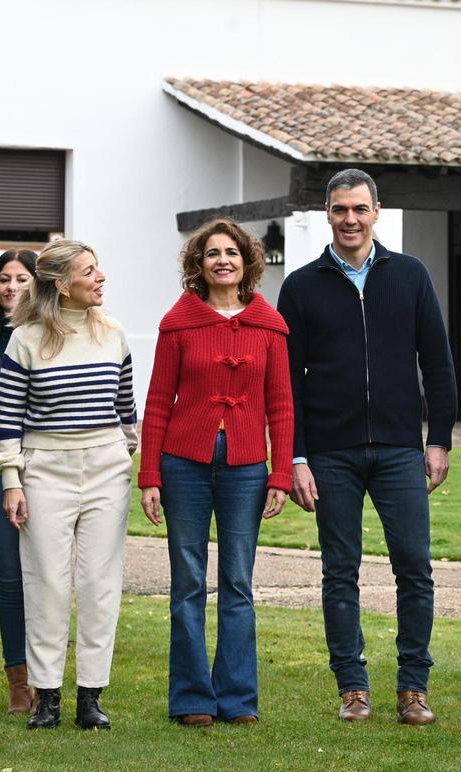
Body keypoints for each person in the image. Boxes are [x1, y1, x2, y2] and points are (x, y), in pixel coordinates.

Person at [276, 168, 456, 725]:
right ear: (326, 215)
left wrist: (438, 440)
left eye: (359, 209)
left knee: (414, 567)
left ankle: (412, 687)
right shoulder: (301, 286)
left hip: (402, 448)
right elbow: (288, 383)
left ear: (377, 211)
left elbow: (438, 362)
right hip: (331, 453)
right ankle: (352, 687)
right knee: (339, 571)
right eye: (339, 210)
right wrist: (297, 457)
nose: (349, 219)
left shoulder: (410, 275)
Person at [140, 219, 293, 727]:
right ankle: (191, 699)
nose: (222, 260)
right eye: (212, 254)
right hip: (183, 463)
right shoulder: (178, 323)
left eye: (231, 252)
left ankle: (237, 699)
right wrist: (150, 476)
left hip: (247, 466)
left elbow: (282, 406)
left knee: (237, 582)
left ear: (247, 262)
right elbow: (158, 402)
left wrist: (280, 475)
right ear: (198, 265)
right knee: (187, 581)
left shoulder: (269, 326)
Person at [0, 239, 137, 731]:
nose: (101, 279)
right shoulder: (25, 339)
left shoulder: (114, 333)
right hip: (44, 469)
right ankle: (47, 697)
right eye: (90, 272)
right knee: (48, 583)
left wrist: (121, 455)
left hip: (105, 470)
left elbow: (125, 409)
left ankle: (91, 697)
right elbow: (6, 417)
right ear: (61, 284)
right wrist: (12, 480)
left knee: (100, 584)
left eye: (99, 270)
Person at [0, 249, 37, 714]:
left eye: (21, 278)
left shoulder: (53, 336)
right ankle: (19, 678)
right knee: (11, 574)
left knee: (51, 574)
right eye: (3, 279)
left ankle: (48, 675)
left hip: (49, 464)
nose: (10, 287)